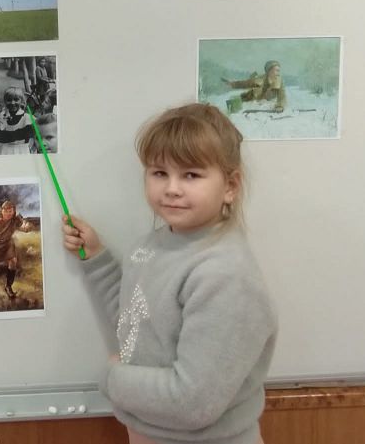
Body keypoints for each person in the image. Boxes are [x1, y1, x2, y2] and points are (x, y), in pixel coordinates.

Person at [61, 103, 277, 444]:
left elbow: (193, 402)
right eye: (160, 173)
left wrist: (112, 379)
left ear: (230, 186)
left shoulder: (225, 275)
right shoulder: (152, 245)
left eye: (191, 175)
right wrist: (97, 257)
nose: (172, 188)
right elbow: (136, 320)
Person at [0, 87, 32, 155]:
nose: (12, 103)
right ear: (5, 101)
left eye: (16, 100)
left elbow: (9, 136)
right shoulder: (1, 116)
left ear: (22, 101)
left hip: (22, 151)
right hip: (5, 151)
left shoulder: (27, 118)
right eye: (9, 100)